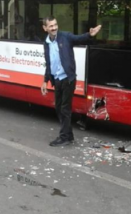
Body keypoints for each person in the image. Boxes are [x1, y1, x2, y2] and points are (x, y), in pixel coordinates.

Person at [40, 16, 101, 146]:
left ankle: (65, 137)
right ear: (45, 28)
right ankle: (69, 135)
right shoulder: (46, 43)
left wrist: (89, 35)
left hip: (68, 79)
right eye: (51, 26)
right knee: (58, 107)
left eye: (55, 24)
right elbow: (49, 63)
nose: (54, 27)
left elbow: (78, 38)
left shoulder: (65, 36)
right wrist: (45, 81)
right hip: (57, 79)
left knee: (64, 108)